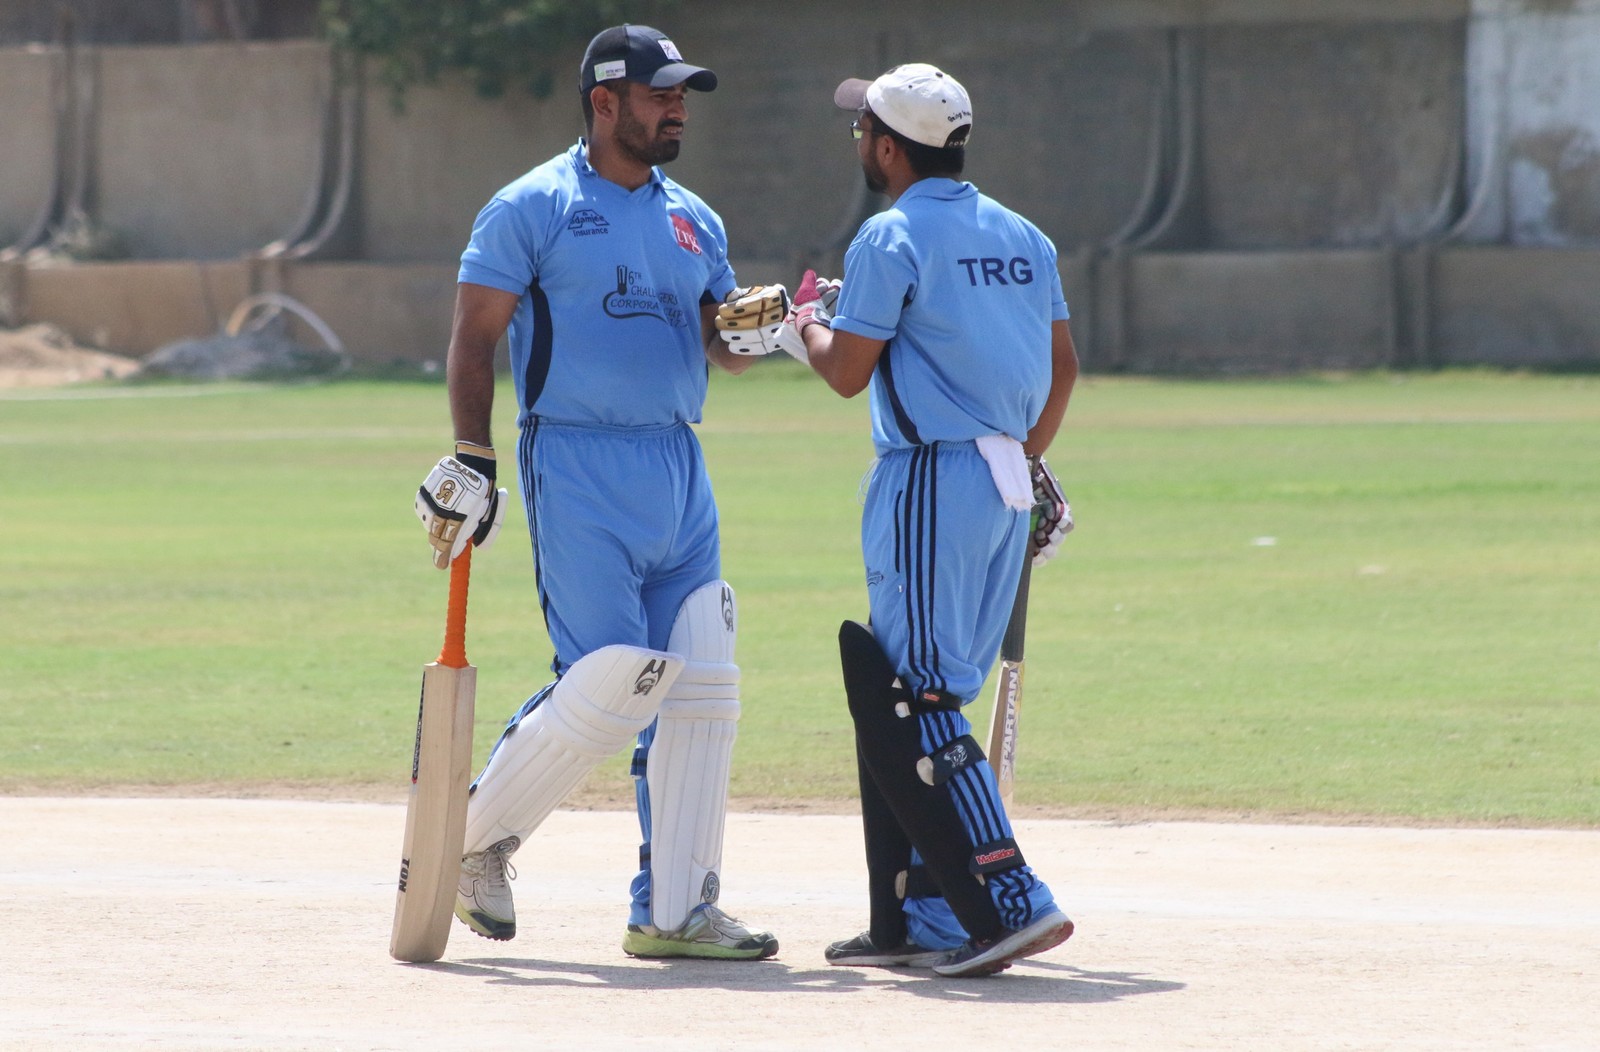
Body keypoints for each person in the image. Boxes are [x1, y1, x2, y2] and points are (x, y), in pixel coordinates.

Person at [413, 24, 793, 961]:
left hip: (678, 463)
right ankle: (470, 841)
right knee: (613, 677)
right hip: (575, 460)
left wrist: (755, 334)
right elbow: (474, 335)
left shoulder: (695, 218)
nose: (678, 111)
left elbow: (720, 345)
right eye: (662, 95)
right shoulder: (531, 206)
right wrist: (473, 455)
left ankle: (675, 911)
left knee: (700, 679)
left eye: (683, 97)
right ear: (604, 102)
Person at [778, 63, 1079, 977]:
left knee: (919, 698)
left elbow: (847, 371)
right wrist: (1024, 459)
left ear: (887, 148)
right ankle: (921, 915)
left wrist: (800, 327)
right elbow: (1062, 366)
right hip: (1003, 478)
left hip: (928, 480)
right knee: (920, 694)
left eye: (862, 130)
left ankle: (1013, 899)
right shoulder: (1024, 234)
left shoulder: (890, 233)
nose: (858, 142)